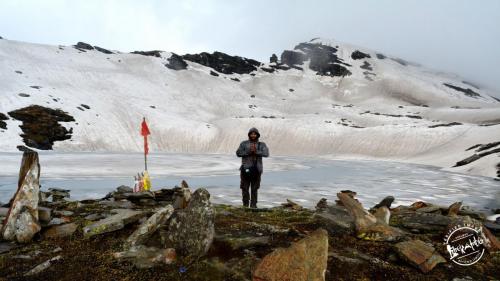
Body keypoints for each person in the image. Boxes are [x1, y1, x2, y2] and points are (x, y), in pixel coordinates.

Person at [236, 127, 269, 208]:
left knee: (254, 189)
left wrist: (256, 152)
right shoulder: (244, 143)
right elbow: (238, 153)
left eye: (254, 134)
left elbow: (266, 154)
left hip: (257, 170)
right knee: (245, 188)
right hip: (245, 169)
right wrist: (248, 152)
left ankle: (253, 205)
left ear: (257, 135)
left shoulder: (262, 144)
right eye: (251, 134)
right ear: (249, 134)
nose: (253, 135)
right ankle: (245, 205)